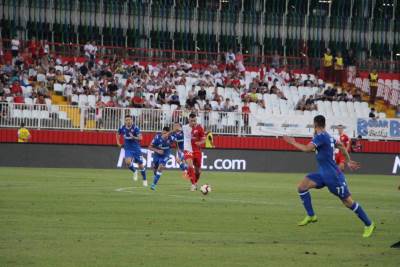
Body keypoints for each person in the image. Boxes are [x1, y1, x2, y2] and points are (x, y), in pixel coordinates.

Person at [283, 115, 375, 238]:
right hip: (322, 174)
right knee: (302, 186)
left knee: (348, 202)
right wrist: (348, 161)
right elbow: (341, 146)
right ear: (324, 125)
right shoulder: (328, 137)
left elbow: (306, 149)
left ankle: (369, 224)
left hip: (333, 176)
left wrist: (292, 142)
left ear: (315, 125)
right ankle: (311, 215)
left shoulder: (321, 137)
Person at [116, 115, 147, 186]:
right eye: (126, 120)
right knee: (127, 162)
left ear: (132, 120)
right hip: (128, 148)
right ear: (125, 121)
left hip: (136, 149)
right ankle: (135, 171)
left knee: (141, 165)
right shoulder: (122, 127)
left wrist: (134, 137)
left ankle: (144, 179)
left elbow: (141, 138)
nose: (128, 121)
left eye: (129, 120)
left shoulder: (135, 128)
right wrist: (118, 142)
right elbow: (117, 133)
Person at [183, 113, 205, 191]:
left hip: (197, 151)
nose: (193, 122)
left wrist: (200, 143)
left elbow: (204, 139)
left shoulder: (199, 128)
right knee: (190, 165)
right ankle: (193, 184)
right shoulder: (184, 127)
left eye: (194, 121)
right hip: (188, 149)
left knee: (198, 171)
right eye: (191, 121)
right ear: (189, 120)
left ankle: (195, 182)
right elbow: (176, 129)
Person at [148, 126, 175, 190]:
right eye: (163, 133)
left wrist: (179, 150)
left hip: (166, 154)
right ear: (162, 132)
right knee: (155, 168)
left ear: (168, 133)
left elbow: (177, 143)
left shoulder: (172, 138)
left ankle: (153, 184)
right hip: (157, 154)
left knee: (161, 167)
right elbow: (149, 147)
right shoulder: (157, 137)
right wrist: (157, 150)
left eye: (166, 133)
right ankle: (155, 175)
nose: (164, 135)